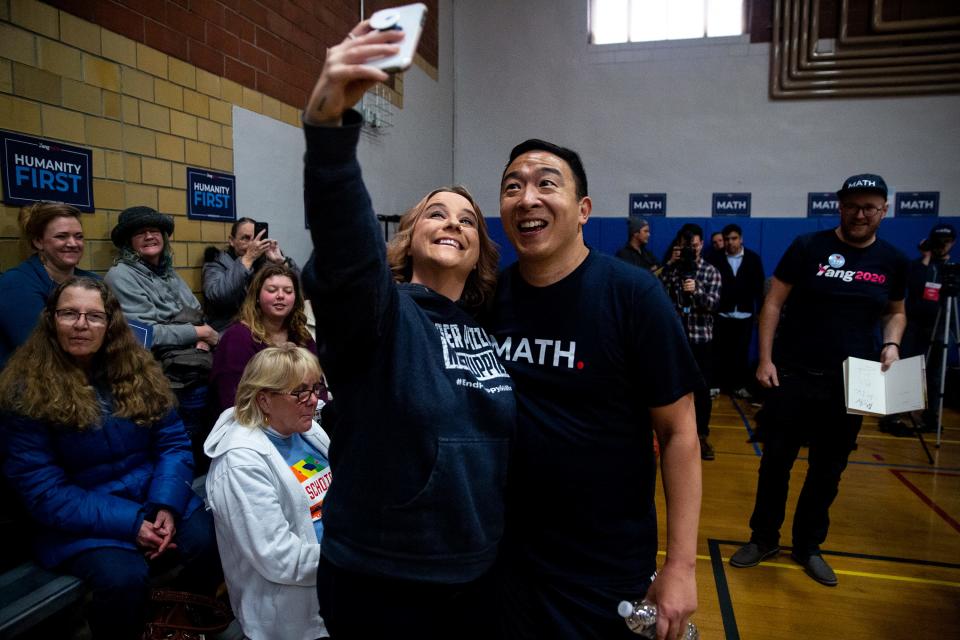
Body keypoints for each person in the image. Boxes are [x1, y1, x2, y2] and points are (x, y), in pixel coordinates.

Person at [301, 23, 515, 639]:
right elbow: (346, 251)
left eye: (468, 220)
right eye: (436, 213)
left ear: (480, 251)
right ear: (410, 235)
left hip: (475, 573)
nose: (453, 223)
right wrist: (330, 133)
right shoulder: (381, 315)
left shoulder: (487, 331)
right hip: (382, 578)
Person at [488, 137, 702, 639]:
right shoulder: (490, 298)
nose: (527, 198)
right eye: (512, 187)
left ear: (583, 210)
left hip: (603, 566)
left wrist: (682, 567)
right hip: (505, 556)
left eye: (546, 183)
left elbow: (679, 434)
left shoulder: (632, 294)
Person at [0, 277, 220, 640]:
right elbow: (42, 490)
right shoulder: (26, 387)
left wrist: (166, 502)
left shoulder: (137, 370)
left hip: (151, 495)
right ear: (51, 321)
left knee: (206, 540)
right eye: (69, 313)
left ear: (111, 324)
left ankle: (186, 628)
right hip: (79, 517)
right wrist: (131, 523)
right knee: (123, 578)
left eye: (94, 316)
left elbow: (173, 443)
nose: (82, 324)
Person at [730, 173, 907, 587]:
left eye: (869, 207)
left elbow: (896, 311)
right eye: (851, 206)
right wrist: (765, 359)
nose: (860, 214)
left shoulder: (893, 261)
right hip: (792, 376)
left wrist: (892, 344)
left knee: (828, 471)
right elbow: (773, 302)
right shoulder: (809, 248)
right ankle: (763, 539)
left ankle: (808, 546)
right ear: (839, 207)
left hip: (852, 384)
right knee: (775, 464)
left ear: (884, 210)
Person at [205, 345, 331, 640]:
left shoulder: (307, 431)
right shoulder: (239, 461)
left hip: (337, 582)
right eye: (300, 392)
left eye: (316, 388)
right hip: (292, 614)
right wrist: (350, 558)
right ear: (264, 400)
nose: (313, 400)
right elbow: (277, 557)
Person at [105, 206, 219, 351]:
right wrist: (199, 333)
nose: (149, 236)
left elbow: (196, 312)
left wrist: (202, 342)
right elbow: (141, 334)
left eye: (154, 230)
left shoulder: (168, 271)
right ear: (129, 242)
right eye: (140, 233)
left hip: (188, 352)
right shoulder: (120, 276)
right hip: (149, 361)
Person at [210, 263, 318, 415]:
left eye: (288, 291)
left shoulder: (301, 336)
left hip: (300, 419)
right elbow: (232, 398)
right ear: (257, 297)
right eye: (272, 290)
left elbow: (317, 385)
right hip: (251, 422)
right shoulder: (237, 338)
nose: (280, 296)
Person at [0, 202, 97, 367]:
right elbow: (40, 350)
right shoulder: (15, 284)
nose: (73, 243)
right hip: (35, 380)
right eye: (62, 236)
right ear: (38, 241)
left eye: (78, 236)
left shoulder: (94, 281)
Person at [661, 223, 722, 460]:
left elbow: (714, 305)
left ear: (701, 244)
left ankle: (702, 436)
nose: (691, 251)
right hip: (675, 338)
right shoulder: (672, 270)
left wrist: (695, 291)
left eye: (695, 246)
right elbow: (657, 295)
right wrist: (669, 265)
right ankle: (673, 434)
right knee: (673, 389)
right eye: (687, 246)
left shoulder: (710, 272)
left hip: (701, 339)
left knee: (702, 391)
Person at [202, 217, 299, 332]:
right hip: (229, 328)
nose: (253, 244)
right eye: (246, 238)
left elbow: (301, 292)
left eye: (256, 238)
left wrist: (281, 262)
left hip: (267, 326)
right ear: (232, 241)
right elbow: (219, 296)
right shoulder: (216, 262)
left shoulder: (267, 261)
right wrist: (248, 259)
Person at [710, 223, 765, 399]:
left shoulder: (753, 259)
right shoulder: (715, 258)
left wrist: (761, 311)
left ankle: (739, 385)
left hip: (745, 314)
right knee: (720, 351)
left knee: (741, 352)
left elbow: (759, 287)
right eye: (727, 239)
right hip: (722, 314)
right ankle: (717, 384)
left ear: (741, 239)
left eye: (733, 238)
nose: (730, 242)